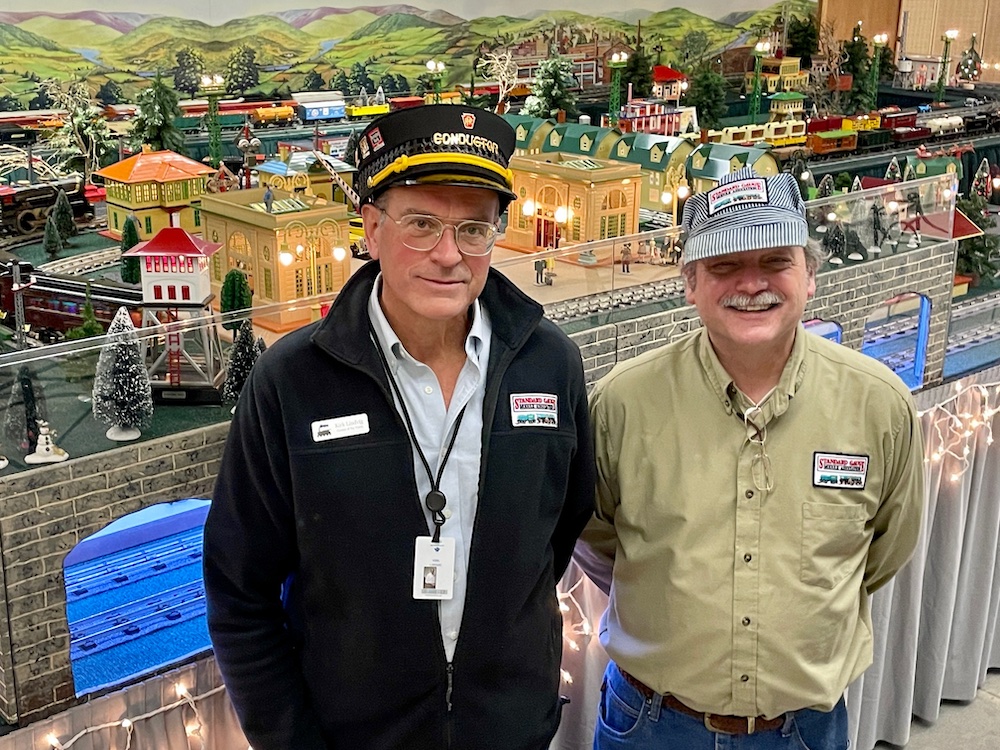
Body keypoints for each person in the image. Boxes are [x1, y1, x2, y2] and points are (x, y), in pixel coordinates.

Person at [204, 104, 596, 750]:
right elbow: (238, 591)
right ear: (371, 228)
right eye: (421, 224)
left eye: (473, 228)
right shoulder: (291, 383)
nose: (448, 255)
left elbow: (553, 536)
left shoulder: (550, 365)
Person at [576, 167, 924, 749]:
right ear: (689, 283)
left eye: (775, 262)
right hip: (651, 724)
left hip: (803, 729)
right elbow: (595, 537)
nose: (751, 283)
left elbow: (883, 552)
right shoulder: (621, 403)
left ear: (810, 275)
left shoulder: (880, 405)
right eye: (724, 266)